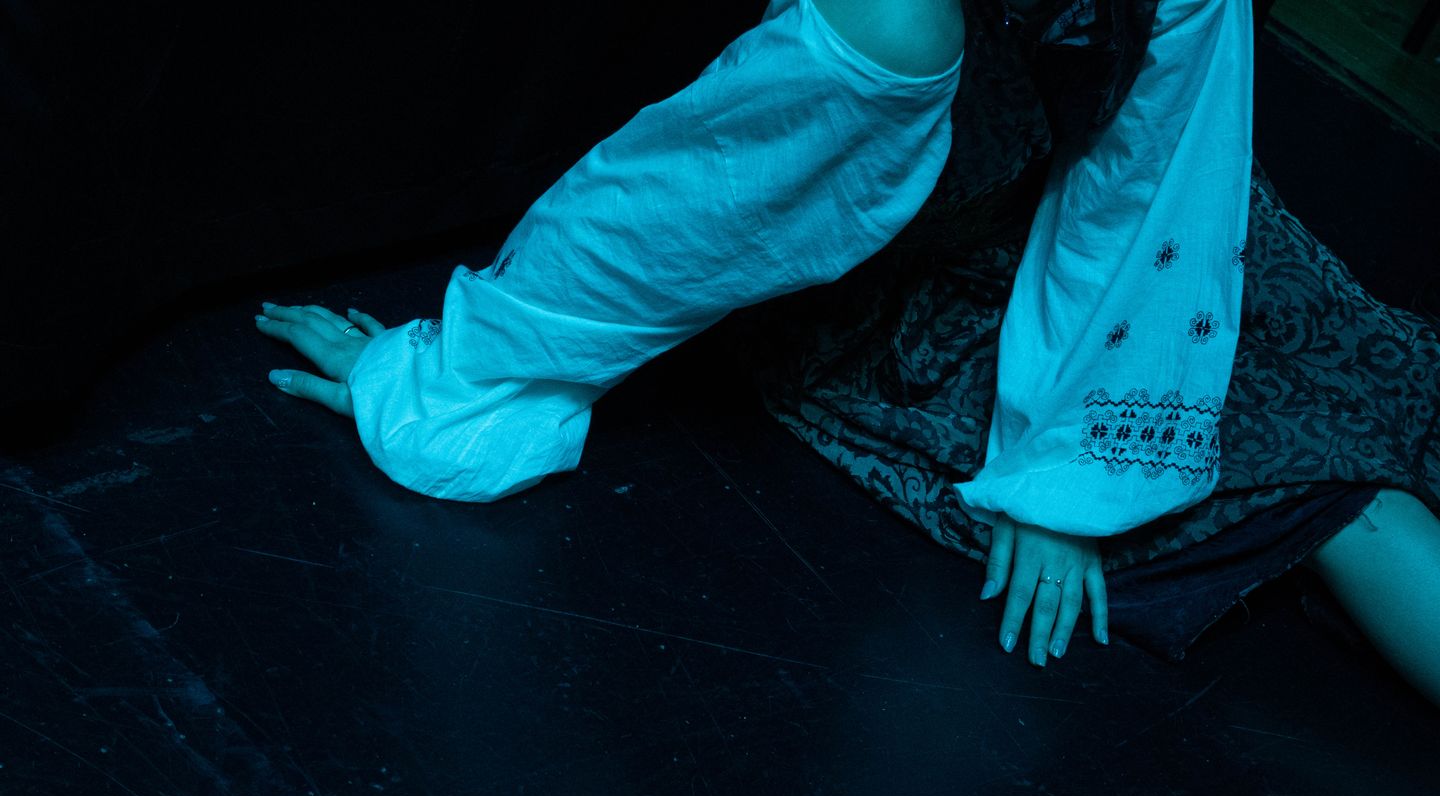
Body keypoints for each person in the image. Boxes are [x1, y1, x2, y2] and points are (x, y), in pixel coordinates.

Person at [252, 0, 1440, 706]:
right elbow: (691, 197)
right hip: (905, 275)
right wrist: (465, 374)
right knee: (1347, 505)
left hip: (1120, 263)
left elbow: (1155, 181)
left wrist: (1078, 456)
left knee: (1354, 415)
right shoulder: (889, 22)